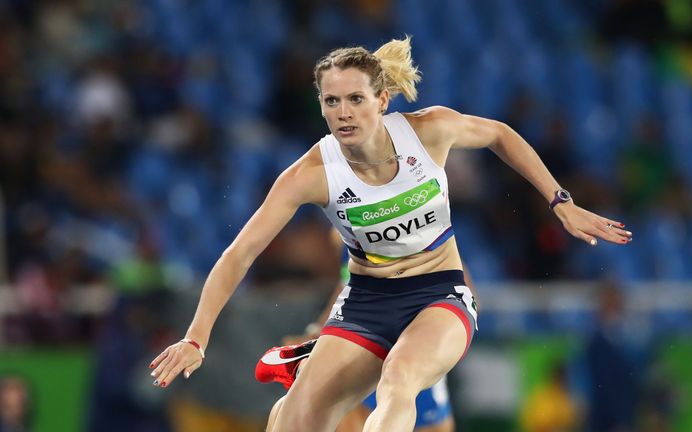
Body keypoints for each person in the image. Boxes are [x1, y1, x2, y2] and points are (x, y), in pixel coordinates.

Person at [148, 36, 632, 432]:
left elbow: (501, 134)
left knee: (400, 381)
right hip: (366, 303)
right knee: (295, 419)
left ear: (381, 100)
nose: (344, 112)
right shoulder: (311, 174)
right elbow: (240, 254)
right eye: (331, 101)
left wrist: (560, 201)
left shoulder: (429, 132)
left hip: (439, 294)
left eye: (355, 99)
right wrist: (196, 338)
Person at [257, 234, 467, 432]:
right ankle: (308, 365)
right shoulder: (345, 232)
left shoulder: (417, 228)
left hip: (412, 342)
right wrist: (317, 332)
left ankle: (307, 365)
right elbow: (348, 286)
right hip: (370, 340)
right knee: (331, 412)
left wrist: (441, 328)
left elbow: (461, 287)